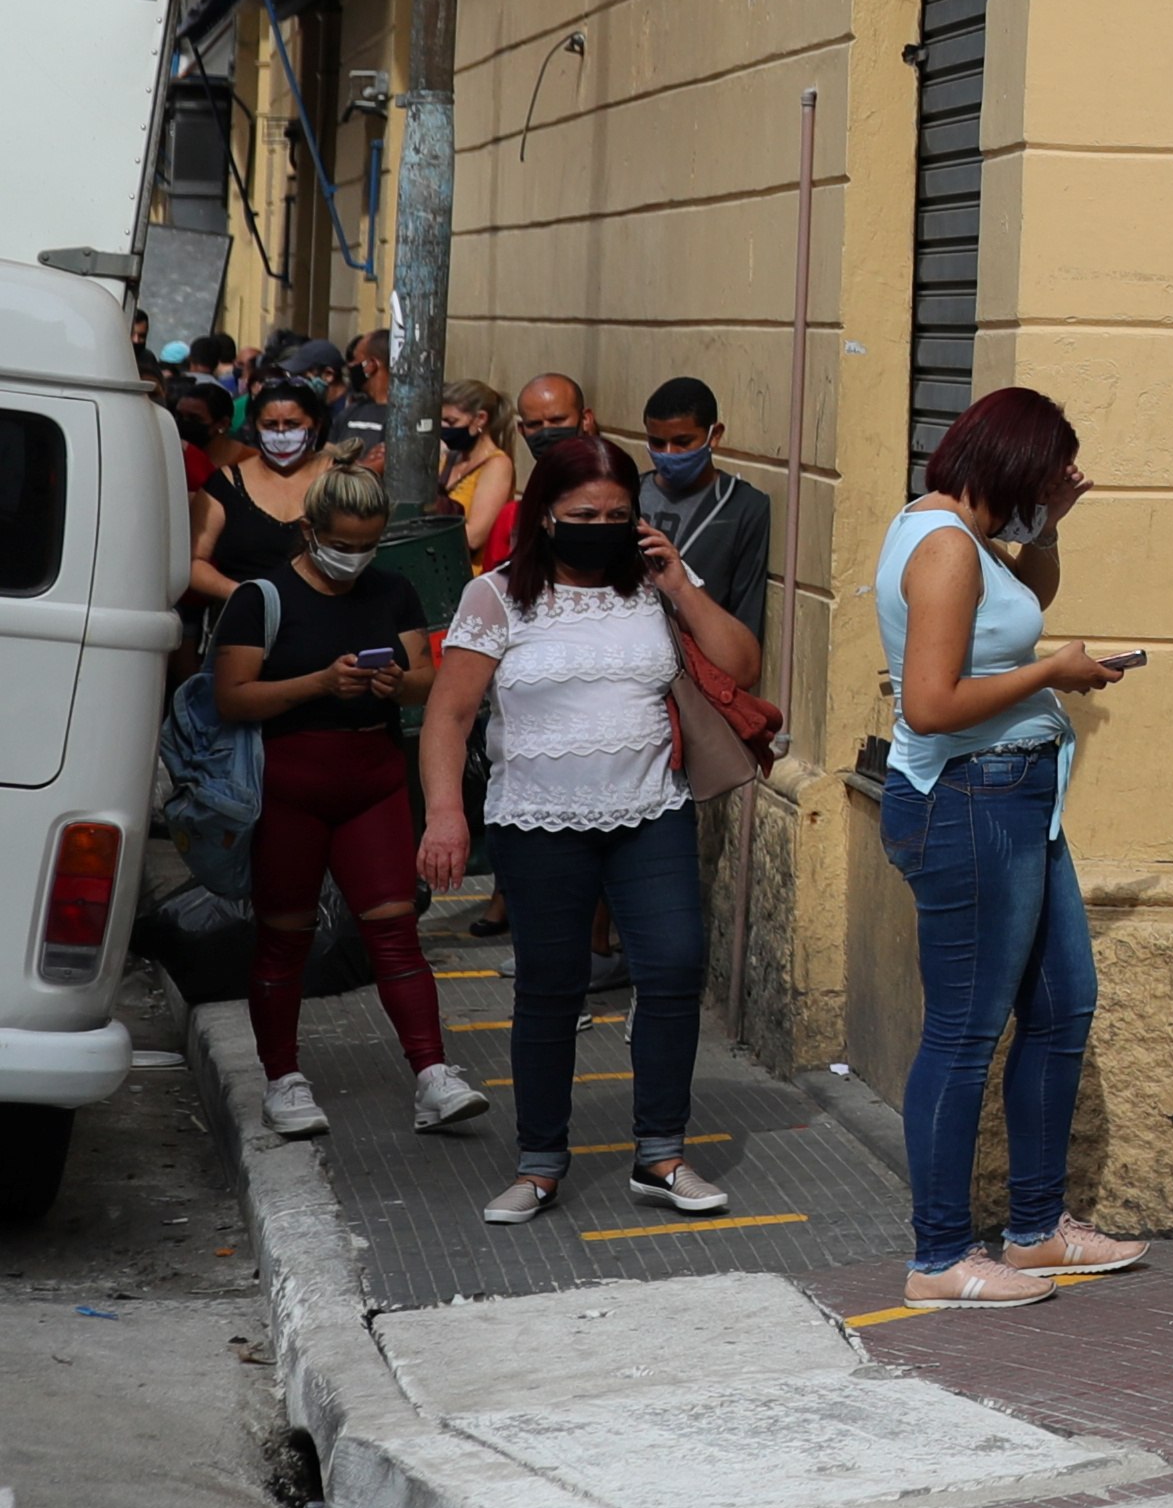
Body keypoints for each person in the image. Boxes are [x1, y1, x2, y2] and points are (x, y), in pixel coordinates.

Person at [411, 433, 765, 1225]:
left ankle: (662, 1155)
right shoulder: (496, 596)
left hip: (651, 811)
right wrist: (443, 813)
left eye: (617, 513)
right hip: (538, 823)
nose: (602, 525)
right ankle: (539, 1164)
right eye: (584, 513)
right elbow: (451, 712)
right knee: (550, 987)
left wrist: (680, 584)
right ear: (545, 515)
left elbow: (741, 664)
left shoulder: (652, 585)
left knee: (674, 969)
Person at [873, 386, 1145, 1307]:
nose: (1046, 490)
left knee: (1066, 1002)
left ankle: (1034, 1231)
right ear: (1007, 465)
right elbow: (931, 705)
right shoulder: (945, 546)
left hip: (1021, 800)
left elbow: (1016, 608)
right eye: (1042, 478)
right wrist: (1054, 672)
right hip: (970, 804)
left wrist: (1054, 532)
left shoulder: (964, 537)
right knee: (963, 1031)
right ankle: (940, 1257)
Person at [213, 461, 480, 1142]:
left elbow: (427, 680)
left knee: (395, 930)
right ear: (309, 530)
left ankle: (432, 1075)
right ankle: (283, 1079)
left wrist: (396, 685)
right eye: (343, 542)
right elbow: (233, 695)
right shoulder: (261, 597)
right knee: (284, 936)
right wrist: (319, 684)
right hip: (288, 784)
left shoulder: (392, 590)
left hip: (374, 778)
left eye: (368, 543)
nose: (355, 558)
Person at [637, 379, 773, 631]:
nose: (669, 453)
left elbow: (746, 614)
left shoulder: (742, 507)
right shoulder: (629, 494)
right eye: (657, 443)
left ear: (715, 435)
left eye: (683, 441)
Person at [193, 377, 333, 611]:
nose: (280, 434)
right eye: (269, 425)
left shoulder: (342, 481)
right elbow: (195, 562)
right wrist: (247, 596)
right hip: (245, 621)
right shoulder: (224, 484)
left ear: (316, 425)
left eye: (292, 424)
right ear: (254, 426)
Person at [435, 380, 520, 571]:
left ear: (480, 419)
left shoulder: (497, 465)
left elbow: (474, 537)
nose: (444, 428)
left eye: (451, 422)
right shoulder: (449, 458)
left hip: (469, 574)